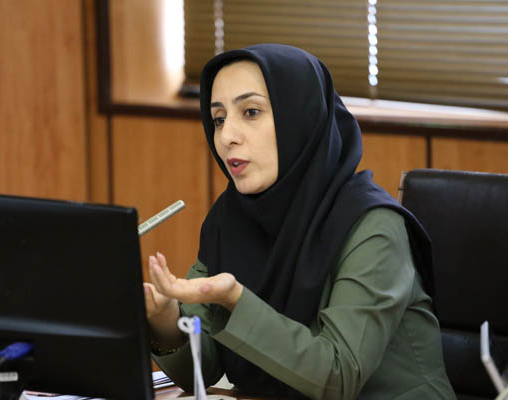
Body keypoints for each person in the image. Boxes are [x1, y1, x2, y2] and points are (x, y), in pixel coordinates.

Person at [144, 44, 456, 400]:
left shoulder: (373, 226)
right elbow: (204, 369)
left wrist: (235, 300)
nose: (227, 136)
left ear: (300, 118)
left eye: (250, 112)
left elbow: (339, 376)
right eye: (218, 119)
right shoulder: (230, 218)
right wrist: (165, 319)